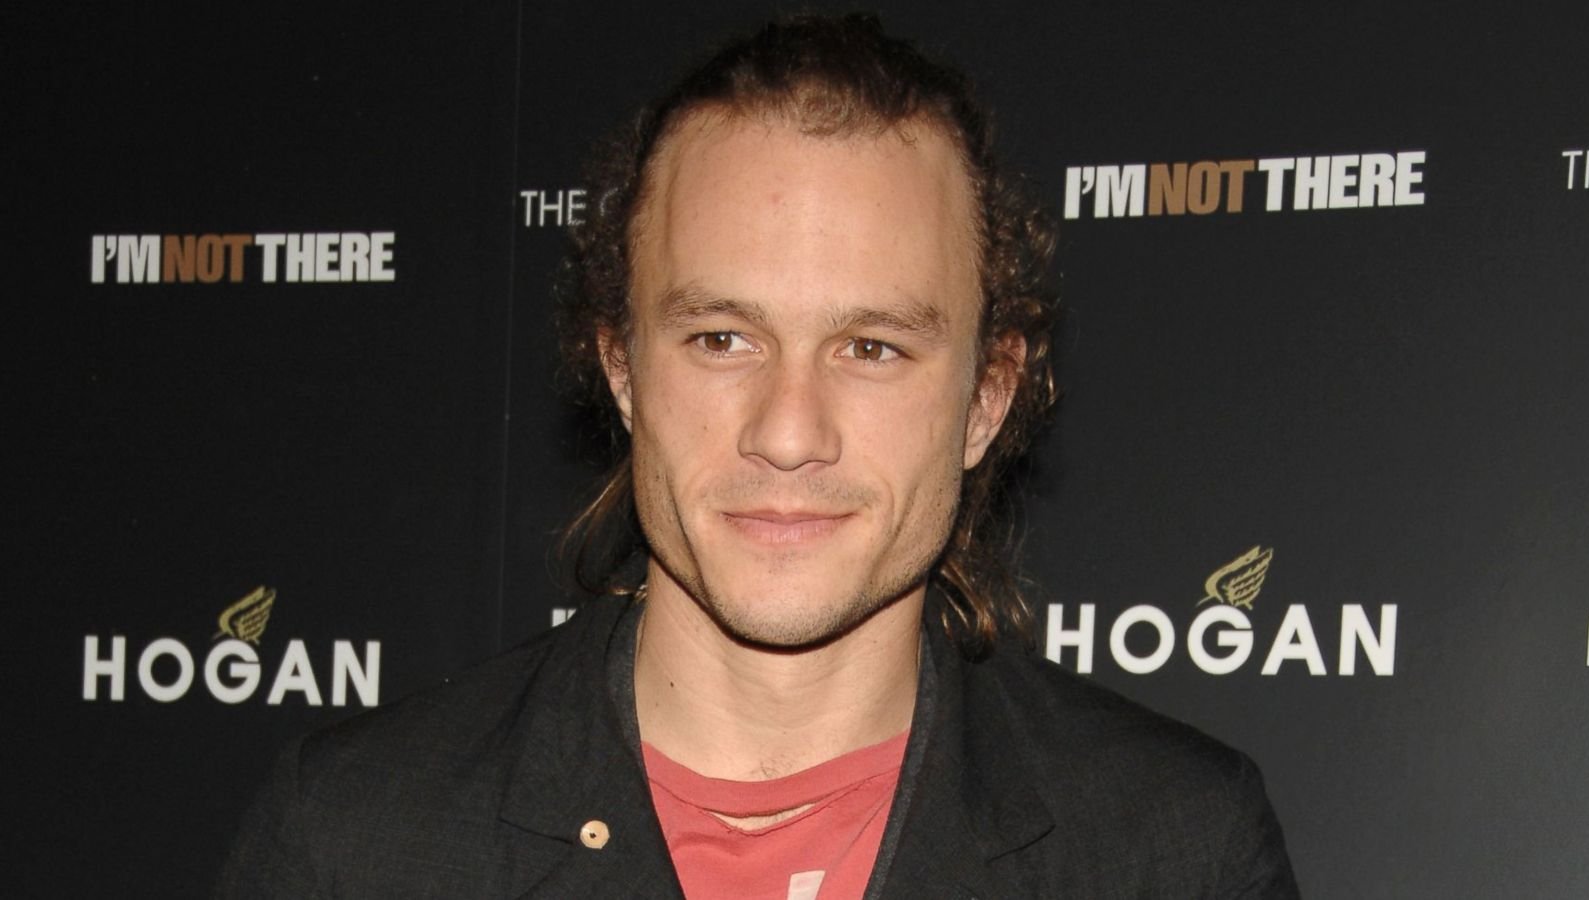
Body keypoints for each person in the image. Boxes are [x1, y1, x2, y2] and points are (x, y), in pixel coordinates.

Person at [218, 14, 1298, 898]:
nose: (787, 432)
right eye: (720, 339)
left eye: (871, 348)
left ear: (986, 397)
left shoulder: (1171, 851)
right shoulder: (358, 839)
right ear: (622, 369)